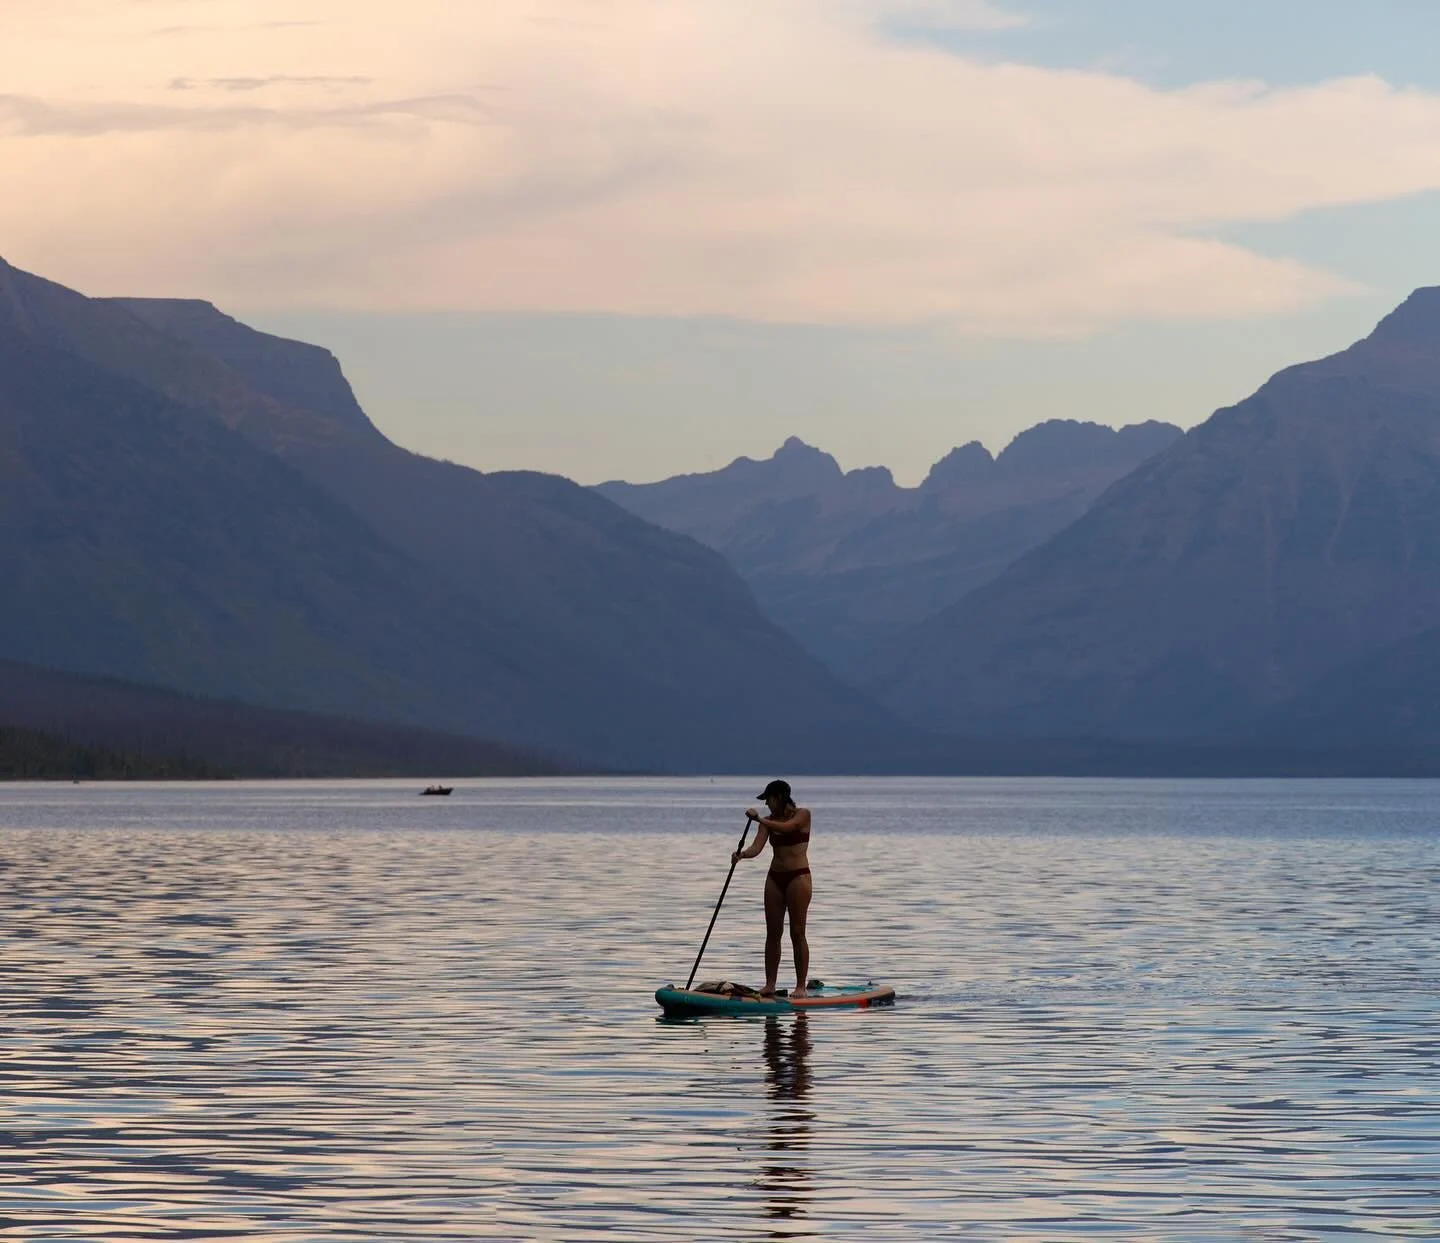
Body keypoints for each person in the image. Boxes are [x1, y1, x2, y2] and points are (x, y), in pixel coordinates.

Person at [732, 779, 812, 999]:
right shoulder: (766, 822)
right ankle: (769, 985)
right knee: (773, 933)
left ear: (779, 798)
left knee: (797, 933)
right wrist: (742, 855)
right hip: (775, 878)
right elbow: (757, 847)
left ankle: (800, 986)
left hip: (798, 877)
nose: (766, 803)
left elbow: (789, 828)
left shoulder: (803, 815)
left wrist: (759, 818)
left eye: (768, 799)